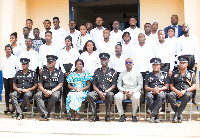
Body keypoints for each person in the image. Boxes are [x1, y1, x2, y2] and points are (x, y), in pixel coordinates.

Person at [87, 53, 117, 122]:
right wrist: (99, 92)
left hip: (108, 91)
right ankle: (95, 116)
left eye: (105, 60)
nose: (103, 61)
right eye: (102, 60)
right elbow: (94, 85)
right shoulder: (97, 71)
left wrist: (106, 92)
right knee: (90, 95)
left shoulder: (113, 72)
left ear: (108, 61)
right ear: (100, 61)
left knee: (110, 95)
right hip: (98, 91)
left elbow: (114, 85)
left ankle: (107, 116)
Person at [167, 56, 196, 123]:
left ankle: (177, 114)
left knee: (188, 95)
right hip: (176, 91)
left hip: (186, 92)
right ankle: (179, 114)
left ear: (187, 64)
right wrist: (176, 91)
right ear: (179, 64)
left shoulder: (191, 73)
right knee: (169, 94)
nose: (182, 64)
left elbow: (194, 86)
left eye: (184, 63)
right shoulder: (174, 73)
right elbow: (171, 86)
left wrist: (185, 91)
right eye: (181, 63)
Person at [34, 55, 64, 120]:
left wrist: (52, 91)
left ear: (55, 63)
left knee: (54, 96)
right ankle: (45, 114)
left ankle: (46, 114)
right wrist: (43, 90)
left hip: (55, 91)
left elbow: (60, 84)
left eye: (51, 62)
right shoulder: (43, 72)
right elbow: (40, 84)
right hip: (45, 90)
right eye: (48, 62)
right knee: (37, 95)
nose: (49, 63)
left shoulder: (59, 72)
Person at [115, 58, 143, 122]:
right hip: (124, 92)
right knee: (117, 96)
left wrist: (132, 91)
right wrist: (124, 91)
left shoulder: (138, 73)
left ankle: (134, 115)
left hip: (134, 91)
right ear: (125, 64)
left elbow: (140, 85)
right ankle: (122, 115)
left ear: (133, 63)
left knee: (136, 97)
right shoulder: (121, 74)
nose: (129, 64)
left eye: (130, 62)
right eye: (127, 62)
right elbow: (119, 85)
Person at [177, 24, 199, 104]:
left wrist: (196, 62)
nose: (185, 28)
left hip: (191, 59)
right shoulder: (180, 39)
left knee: (192, 78)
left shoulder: (194, 38)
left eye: (186, 26)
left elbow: (197, 50)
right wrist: (179, 62)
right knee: (182, 77)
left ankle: (193, 98)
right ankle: (182, 97)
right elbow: (178, 51)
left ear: (189, 28)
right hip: (183, 58)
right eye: (183, 27)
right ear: (182, 29)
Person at [145, 58, 170, 123]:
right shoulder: (148, 75)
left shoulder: (164, 74)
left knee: (160, 96)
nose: (155, 66)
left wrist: (159, 89)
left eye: (157, 65)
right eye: (154, 65)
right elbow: (146, 87)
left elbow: (166, 86)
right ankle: (156, 116)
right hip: (151, 91)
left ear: (160, 66)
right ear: (152, 66)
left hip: (161, 91)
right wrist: (152, 89)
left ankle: (153, 115)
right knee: (148, 96)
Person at [79, 40, 101, 112]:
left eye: (90, 45)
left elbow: (99, 65)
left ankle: (96, 107)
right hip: (85, 75)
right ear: (86, 46)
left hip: (95, 75)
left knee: (95, 91)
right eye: (87, 45)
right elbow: (80, 64)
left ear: (93, 46)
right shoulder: (83, 55)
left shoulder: (97, 54)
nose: (89, 46)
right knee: (86, 91)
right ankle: (86, 107)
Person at [131, 33, 153, 102]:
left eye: (142, 37)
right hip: (137, 70)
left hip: (146, 70)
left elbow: (150, 60)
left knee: (146, 87)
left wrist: (150, 70)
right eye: (139, 37)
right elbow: (132, 59)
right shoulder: (134, 48)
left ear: (145, 38)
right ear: (137, 39)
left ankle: (147, 103)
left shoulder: (148, 47)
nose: (141, 38)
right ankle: (139, 103)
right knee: (138, 87)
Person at [59, 35, 79, 113]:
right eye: (66, 41)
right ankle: (66, 106)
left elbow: (75, 61)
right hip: (64, 70)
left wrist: (70, 71)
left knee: (72, 88)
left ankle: (72, 106)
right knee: (65, 89)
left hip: (72, 70)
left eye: (69, 41)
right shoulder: (62, 51)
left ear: (71, 42)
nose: (67, 43)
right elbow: (60, 62)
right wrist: (64, 72)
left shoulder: (74, 51)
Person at [1, 44, 19, 114]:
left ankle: (13, 107)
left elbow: (17, 68)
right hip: (5, 76)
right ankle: (7, 107)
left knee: (12, 92)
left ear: (11, 50)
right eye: (6, 49)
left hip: (12, 76)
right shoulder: (3, 58)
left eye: (9, 49)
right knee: (6, 92)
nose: (8, 50)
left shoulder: (14, 58)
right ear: (5, 50)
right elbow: (2, 68)